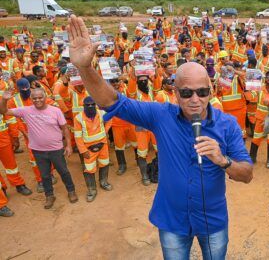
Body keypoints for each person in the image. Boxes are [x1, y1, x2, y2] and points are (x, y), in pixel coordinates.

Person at [67, 15, 253, 259]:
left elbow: (247, 175)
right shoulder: (160, 115)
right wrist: (84, 67)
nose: (195, 99)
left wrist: (223, 160)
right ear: (175, 93)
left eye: (202, 91)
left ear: (211, 90)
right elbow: (111, 101)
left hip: (212, 219)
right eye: (186, 93)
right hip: (172, 221)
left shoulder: (227, 124)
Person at [0, 87, 78, 209]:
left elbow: (65, 129)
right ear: (31, 99)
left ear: (45, 97)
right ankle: (49, 196)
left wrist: (68, 145)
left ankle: (71, 191)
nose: (37, 100)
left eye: (40, 97)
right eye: (34, 98)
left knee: (64, 172)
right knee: (45, 175)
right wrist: (4, 100)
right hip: (38, 151)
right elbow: (3, 111)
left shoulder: (55, 111)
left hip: (56, 149)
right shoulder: (26, 111)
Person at [73, 97, 112, 202]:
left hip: (103, 145)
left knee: (104, 163)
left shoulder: (102, 113)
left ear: (95, 105)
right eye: (87, 105)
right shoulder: (78, 118)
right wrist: (83, 151)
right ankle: (92, 189)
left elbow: (110, 120)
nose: (90, 106)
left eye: (92, 104)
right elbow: (77, 136)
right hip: (88, 148)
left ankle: (103, 182)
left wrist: (105, 131)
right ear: (83, 106)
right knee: (89, 168)